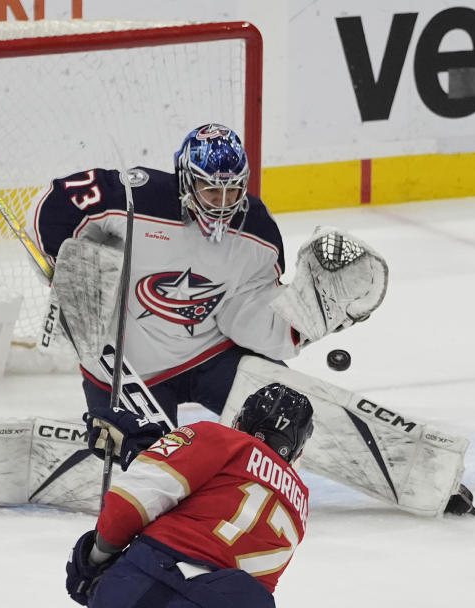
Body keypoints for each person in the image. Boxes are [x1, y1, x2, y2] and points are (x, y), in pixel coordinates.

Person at [33, 123, 377, 426]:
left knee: (283, 414)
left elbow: (244, 313)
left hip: (209, 356)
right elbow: (51, 206)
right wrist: (66, 274)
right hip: (127, 370)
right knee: (145, 468)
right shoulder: (136, 199)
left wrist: (300, 323)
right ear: (187, 181)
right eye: (212, 190)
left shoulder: (257, 231)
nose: (223, 203)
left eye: (234, 190)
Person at [65, 383, 315, 608]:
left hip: (148, 596)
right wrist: (156, 448)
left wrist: (94, 559)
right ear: (298, 451)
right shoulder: (299, 505)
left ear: (239, 422)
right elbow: (225, 498)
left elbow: (128, 506)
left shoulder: (217, 436)